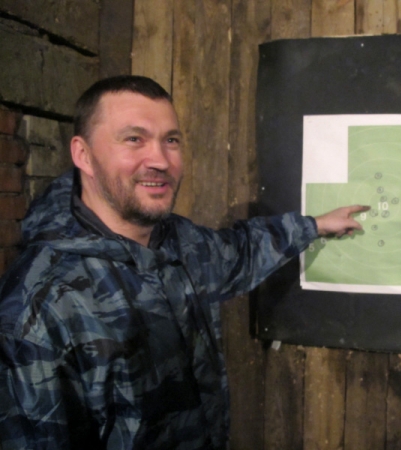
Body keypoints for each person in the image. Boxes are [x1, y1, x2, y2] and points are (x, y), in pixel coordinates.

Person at [0, 76, 367, 449]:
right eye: (134, 139)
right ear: (83, 154)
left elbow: (240, 251)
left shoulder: (178, 240)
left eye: (171, 141)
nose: (160, 160)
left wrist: (314, 226)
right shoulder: (37, 306)